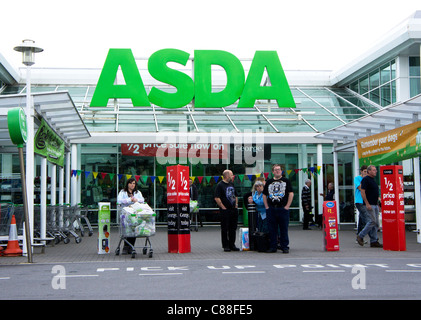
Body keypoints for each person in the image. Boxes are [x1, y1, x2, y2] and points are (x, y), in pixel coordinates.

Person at [263, 164, 294, 253]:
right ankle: (273, 246)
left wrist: (287, 206)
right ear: (272, 172)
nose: (277, 171)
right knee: (272, 229)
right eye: (275, 170)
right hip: (271, 209)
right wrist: (266, 207)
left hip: (282, 209)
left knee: (283, 228)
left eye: (279, 169)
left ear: (281, 171)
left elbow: (291, 194)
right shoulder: (269, 182)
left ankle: (284, 246)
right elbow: (265, 195)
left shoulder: (286, 181)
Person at [356, 165, 383, 248]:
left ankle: (374, 241)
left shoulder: (372, 180)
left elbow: (374, 193)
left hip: (374, 204)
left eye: (375, 170)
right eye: (374, 170)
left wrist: (378, 204)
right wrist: (367, 203)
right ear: (369, 171)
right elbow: (362, 192)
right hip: (369, 204)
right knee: (372, 221)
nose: (376, 171)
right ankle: (360, 235)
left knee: (376, 223)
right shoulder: (365, 180)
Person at [117, 178, 145, 254]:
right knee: (127, 230)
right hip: (126, 214)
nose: (132, 185)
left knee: (134, 230)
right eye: (131, 183)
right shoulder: (123, 192)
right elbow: (119, 201)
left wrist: (136, 200)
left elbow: (142, 200)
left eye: (134, 183)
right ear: (127, 184)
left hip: (135, 214)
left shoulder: (137, 192)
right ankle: (126, 247)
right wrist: (129, 200)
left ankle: (131, 246)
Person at [214, 169, 239, 252]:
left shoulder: (231, 184)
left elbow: (235, 195)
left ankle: (232, 244)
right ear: (227, 176)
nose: (233, 176)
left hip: (233, 209)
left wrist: (236, 205)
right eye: (231, 175)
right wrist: (222, 206)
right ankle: (226, 245)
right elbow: (217, 197)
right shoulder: (220, 185)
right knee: (225, 228)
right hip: (225, 210)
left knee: (233, 228)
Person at [354, 165, 368, 238]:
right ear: (361, 171)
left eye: (367, 172)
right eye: (365, 171)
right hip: (359, 200)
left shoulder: (368, 179)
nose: (366, 173)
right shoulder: (357, 178)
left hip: (366, 201)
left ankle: (359, 236)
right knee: (366, 217)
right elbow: (360, 187)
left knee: (361, 218)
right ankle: (365, 235)